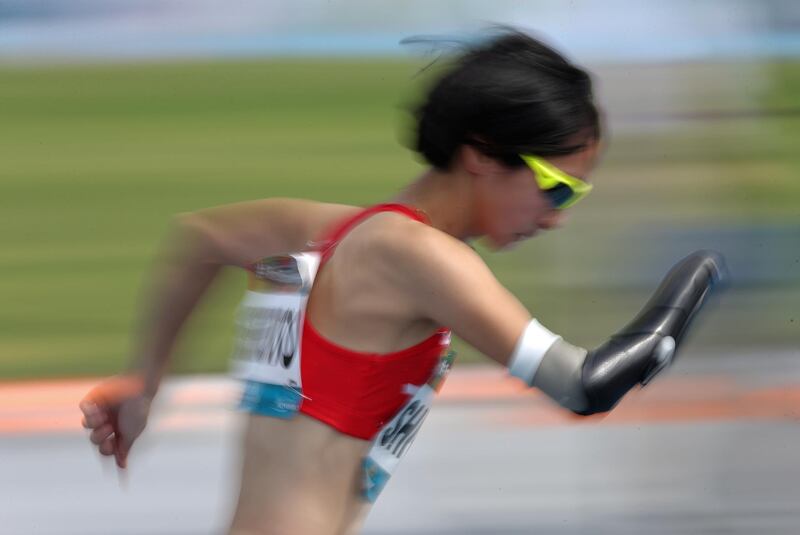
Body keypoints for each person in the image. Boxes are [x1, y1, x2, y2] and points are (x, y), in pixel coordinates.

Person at [79, 30, 724, 535]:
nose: (555, 218)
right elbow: (585, 386)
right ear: (481, 153)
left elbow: (201, 240)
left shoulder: (337, 232)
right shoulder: (421, 258)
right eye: (554, 188)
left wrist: (145, 382)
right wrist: (699, 277)